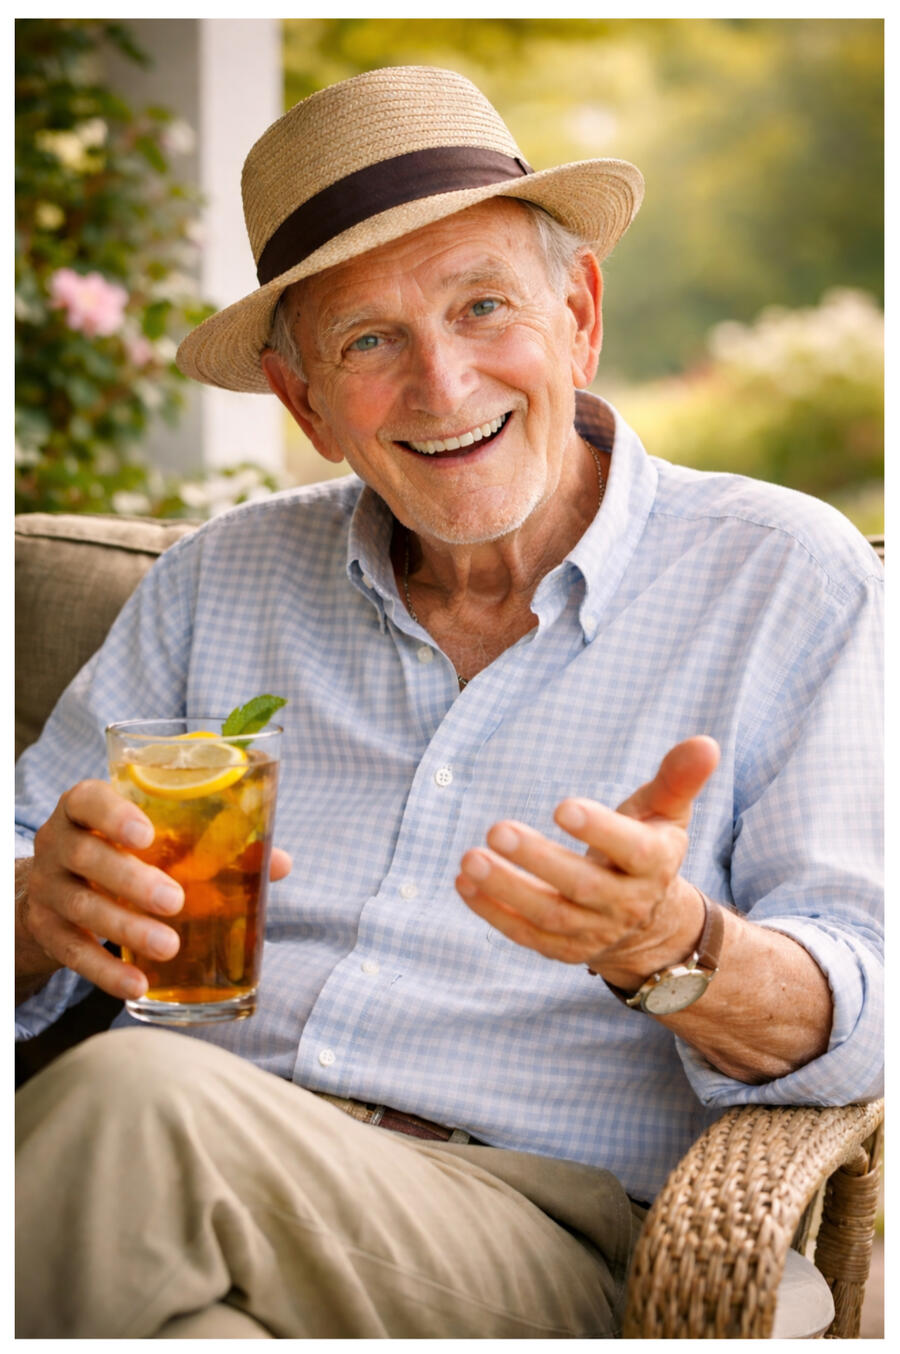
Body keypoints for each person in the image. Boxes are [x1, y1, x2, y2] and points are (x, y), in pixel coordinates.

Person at [15, 66, 882, 1339]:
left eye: (485, 308)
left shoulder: (781, 574)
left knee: (130, 1100)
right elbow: (28, 849)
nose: (442, 383)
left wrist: (673, 944)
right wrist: (41, 908)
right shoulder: (221, 581)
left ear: (579, 314)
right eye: (370, 341)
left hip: (541, 1228)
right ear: (305, 401)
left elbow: (869, 1020)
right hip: (195, 1207)